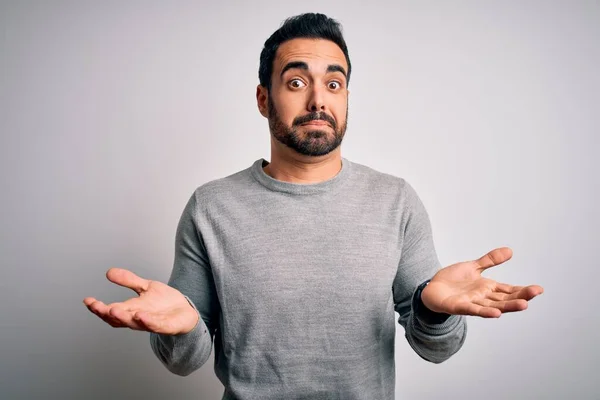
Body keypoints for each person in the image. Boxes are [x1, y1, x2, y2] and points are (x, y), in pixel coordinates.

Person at [83, 13, 544, 400]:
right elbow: (184, 361)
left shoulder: (395, 200)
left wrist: (433, 309)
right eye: (297, 81)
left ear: (346, 98)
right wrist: (183, 329)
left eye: (335, 83)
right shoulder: (211, 207)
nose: (318, 99)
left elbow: (438, 349)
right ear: (264, 99)